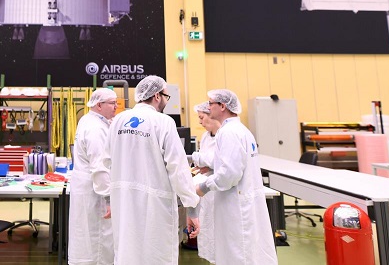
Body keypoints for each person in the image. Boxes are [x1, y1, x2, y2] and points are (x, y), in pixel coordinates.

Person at [104, 75, 200, 265]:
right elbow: (178, 169)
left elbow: (106, 161)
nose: (166, 101)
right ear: (157, 95)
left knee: (127, 252)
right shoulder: (163, 122)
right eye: (166, 96)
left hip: (123, 201)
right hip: (156, 205)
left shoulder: (118, 121)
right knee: (156, 255)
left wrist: (108, 196)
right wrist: (192, 209)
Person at [195, 89, 277, 265]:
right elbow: (233, 164)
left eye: (210, 104)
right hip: (243, 202)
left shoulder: (228, 132)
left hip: (235, 206)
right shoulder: (241, 130)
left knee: (237, 254)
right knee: (245, 252)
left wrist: (203, 188)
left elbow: (229, 175)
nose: (208, 108)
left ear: (222, 106)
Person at [68, 88, 118, 265]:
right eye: (113, 103)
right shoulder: (96, 128)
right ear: (99, 105)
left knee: (87, 239)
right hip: (96, 193)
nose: (116, 107)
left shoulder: (89, 120)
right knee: (99, 241)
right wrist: (109, 199)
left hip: (87, 189)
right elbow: (100, 167)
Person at [189, 101, 220, 264]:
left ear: (212, 115)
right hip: (207, 190)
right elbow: (208, 161)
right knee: (209, 230)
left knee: (222, 234)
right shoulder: (206, 136)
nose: (200, 122)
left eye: (202, 117)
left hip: (222, 191)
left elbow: (220, 162)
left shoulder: (226, 134)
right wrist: (203, 166)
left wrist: (195, 158)